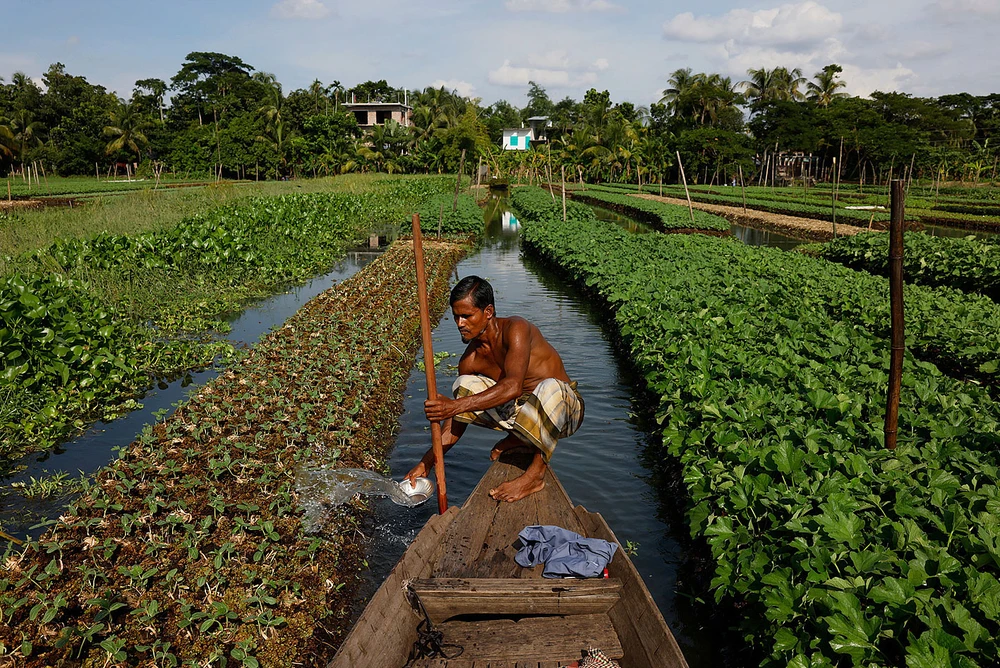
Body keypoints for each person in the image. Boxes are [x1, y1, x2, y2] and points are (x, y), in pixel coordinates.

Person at [404, 276, 584, 502]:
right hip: (519, 414)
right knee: (463, 385)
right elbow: (457, 418)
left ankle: (535, 475)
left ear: (488, 311)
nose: (460, 323)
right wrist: (426, 461)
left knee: (551, 387)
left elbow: (513, 387)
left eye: (466, 316)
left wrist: (454, 406)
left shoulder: (516, 329)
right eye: (456, 317)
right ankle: (520, 437)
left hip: (564, 412)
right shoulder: (470, 360)